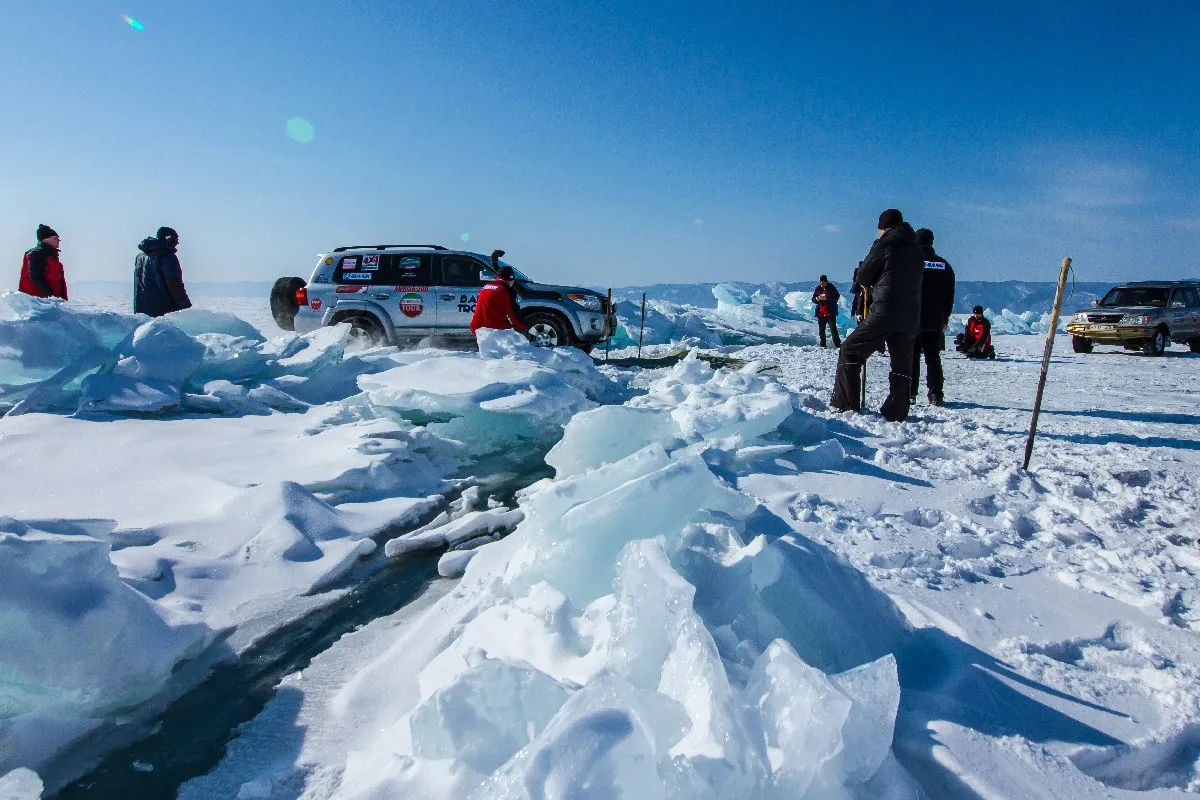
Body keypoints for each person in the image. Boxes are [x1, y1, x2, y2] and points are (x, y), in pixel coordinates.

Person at [829, 209, 923, 421]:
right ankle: (897, 411)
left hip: (885, 310)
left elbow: (864, 276)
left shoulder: (885, 244)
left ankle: (845, 402)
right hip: (910, 315)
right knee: (901, 363)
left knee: (850, 350)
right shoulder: (916, 249)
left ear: (883, 227)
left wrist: (861, 271)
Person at [910, 228, 956, 405]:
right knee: (933, 357)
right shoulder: (944, 265)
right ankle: (935, 393)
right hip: (935, 319)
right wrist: (945, 317)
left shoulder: (911, 263)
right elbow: (949, 295)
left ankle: (911, 392)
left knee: (912, 356)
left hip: (913, 318)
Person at [134, 227, 192, 317]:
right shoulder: (167, 256)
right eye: (176, 240)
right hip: (164, 310)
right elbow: (173, 282)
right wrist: (184, 304)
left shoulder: (140, 256)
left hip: (142, 309)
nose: (177, 243)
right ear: (169, 239)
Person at [470, 265, 528, 336]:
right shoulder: (507, 290)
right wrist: (524, 328)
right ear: (510, 278)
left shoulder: (485, 287)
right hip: (495, 329)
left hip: (477, 328)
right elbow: (513, 314)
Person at [18, 224, 68, 300]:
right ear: (45, 239)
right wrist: (51, 297)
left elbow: (60, 284)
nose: (58, 241)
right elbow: (37, 277)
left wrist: (62, 301)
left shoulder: (52, 258)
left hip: (50, 303)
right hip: (38, 303)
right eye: (55, 238)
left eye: (58, 239)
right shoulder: (37, 253)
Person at [811, 274, 841, 348]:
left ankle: (838, 345)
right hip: (821, 312)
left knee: (833, 329)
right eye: (820, 282)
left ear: (826, 282)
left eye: (823, 282)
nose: (821, 284)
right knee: (821, 331)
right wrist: (817, 299)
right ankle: (823, 345)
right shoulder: (818, 288)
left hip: (830, 312)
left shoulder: (831, 287)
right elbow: (813, 299)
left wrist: (827, 298)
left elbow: (836, 297)